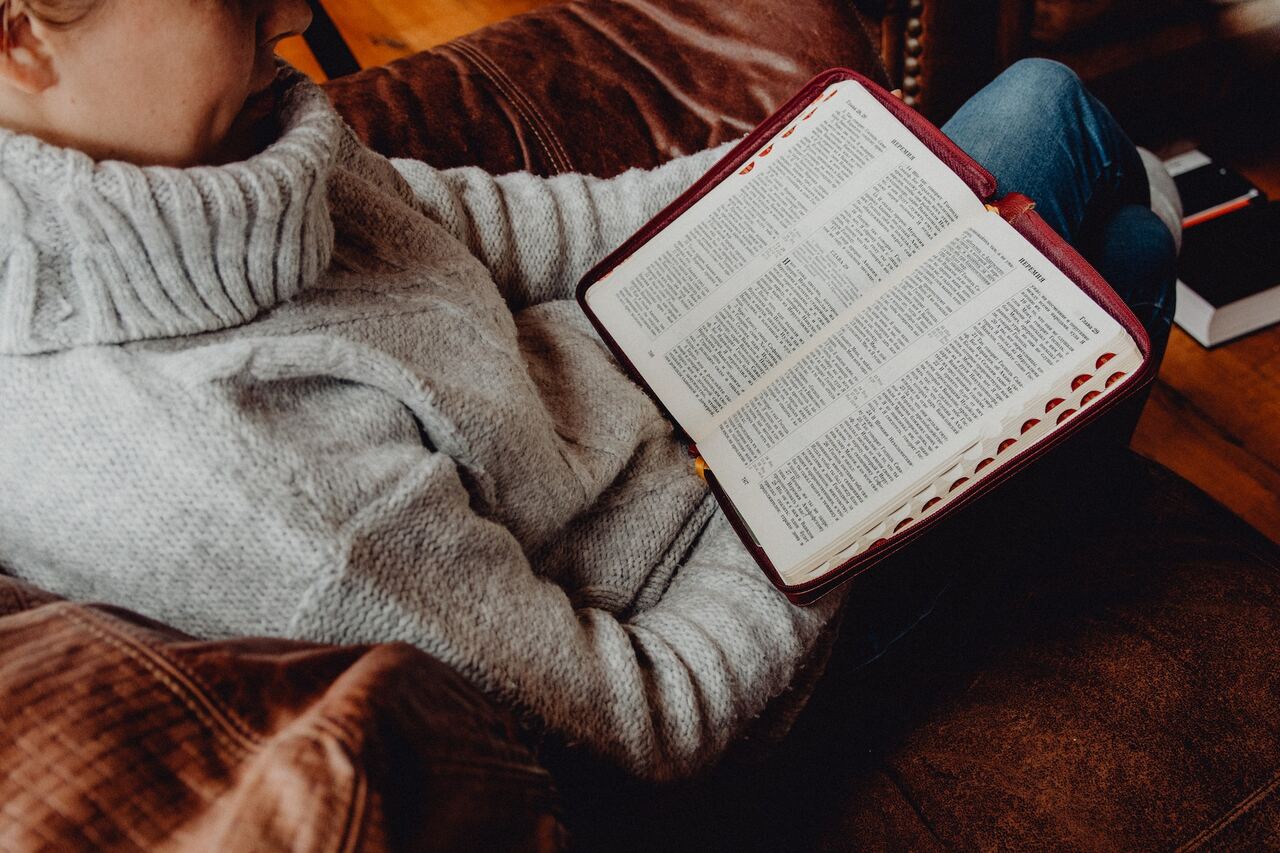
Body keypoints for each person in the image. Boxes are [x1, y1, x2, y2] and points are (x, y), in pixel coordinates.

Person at [0, 0, 1176, 781]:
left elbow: (516, 224)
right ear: (21, 35)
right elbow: (646, 712)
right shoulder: (232, 466)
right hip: (737, 615)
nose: (296, 11)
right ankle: (1014, 545)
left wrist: (813, 176)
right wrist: (808, 488)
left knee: (1050, 158)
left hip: (691, 395)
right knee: (1093, 211)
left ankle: (1037, 491)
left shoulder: (206, 157)